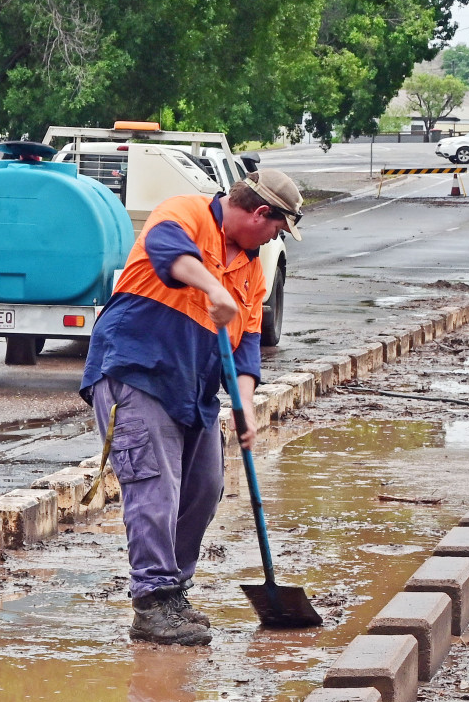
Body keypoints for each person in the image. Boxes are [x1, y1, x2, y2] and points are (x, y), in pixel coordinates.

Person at [80, 169, 305, 647]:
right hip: (136, 371)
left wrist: (244, 406)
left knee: (205, 487)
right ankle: (152, 601)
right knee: (154, 487)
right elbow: (168, 253)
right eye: (276, 229)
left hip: (194, 389)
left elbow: (244, 351)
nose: (274, 239)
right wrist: (211, 287)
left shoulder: (251, 271)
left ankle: (174, 592)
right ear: (261, 214)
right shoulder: (186, 212)